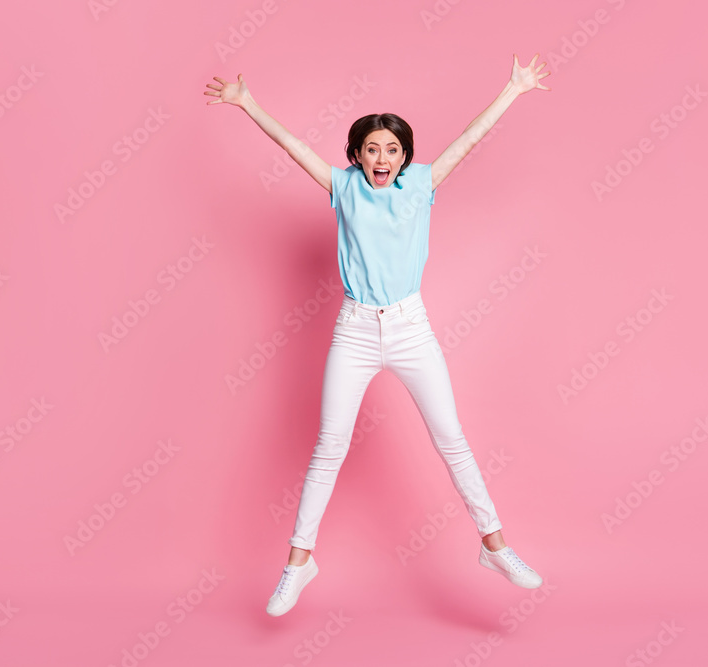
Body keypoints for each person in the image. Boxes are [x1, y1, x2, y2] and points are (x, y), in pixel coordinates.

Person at [205, 54, 552, 617]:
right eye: (372, 149)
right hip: (356, 329)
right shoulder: (343, 188)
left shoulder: (420, 185)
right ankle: (298, 563)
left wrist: (513, 90)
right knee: (328, 448)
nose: (382, 157)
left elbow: (467, 140)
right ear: (357, 156)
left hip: (412, 327)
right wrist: (247, 105)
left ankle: (495, 547)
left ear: (405, 157)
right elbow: (295, 147)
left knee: (452, 441)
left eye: (392, 149)